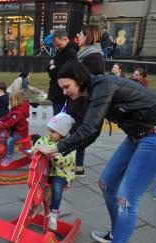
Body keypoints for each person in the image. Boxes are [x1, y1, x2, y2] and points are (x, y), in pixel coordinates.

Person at [38, 61, 156, 243]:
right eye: (61, 88)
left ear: (80, 80)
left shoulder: (103, 86)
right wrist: (61, 151)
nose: (64, 92)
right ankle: (118, 233)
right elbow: (92, 131)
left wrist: (57, 148)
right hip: (137, 135)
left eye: (66, 87)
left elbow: (89, 128)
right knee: (107, 183)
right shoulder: (93, 91)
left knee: (126, 198)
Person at [69, 24, 104, 176]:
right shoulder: (84, 54)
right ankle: (75, 164)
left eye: (81, 35)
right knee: (75, 131)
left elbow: (86, 80)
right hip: (78, 100)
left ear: (88, 36)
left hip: (84, 102)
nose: (79, 37)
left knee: (78, 132)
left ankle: (77, 166)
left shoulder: (94, 57)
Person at [31, 113, 76, 231]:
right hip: (45, 171)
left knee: (56, 187)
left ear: (63, 133)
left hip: (60, 173)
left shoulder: (69, 144)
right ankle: (37, 204)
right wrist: (34, 150)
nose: (49, 134)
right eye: (49, 130)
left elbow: (69, 160)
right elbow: (37, 146)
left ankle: (53, 213)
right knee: (34, 183)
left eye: (53, 132)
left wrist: (55, 157)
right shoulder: (45, 139)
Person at [0, 91, 30, 166]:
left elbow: (10, 122)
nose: (9, 102)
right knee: (4, 138)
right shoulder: (15, 109)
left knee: (9, 141)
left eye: (10, 100)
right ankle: (3, 153)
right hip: (15, 131)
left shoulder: (18, 112)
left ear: (16, 101)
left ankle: (8, 158)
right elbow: (7, 117)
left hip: (20, 133)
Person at [47, 29, 77, 115]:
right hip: (57, 92)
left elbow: (61, 72)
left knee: (60, 121)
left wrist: (52, 68)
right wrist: (51, 68)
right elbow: (51, 68)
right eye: (55, 45)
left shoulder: (71, 53)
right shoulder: (60, 51)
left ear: (65, 39)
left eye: (58, 44)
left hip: (62, 94)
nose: (56, 47)